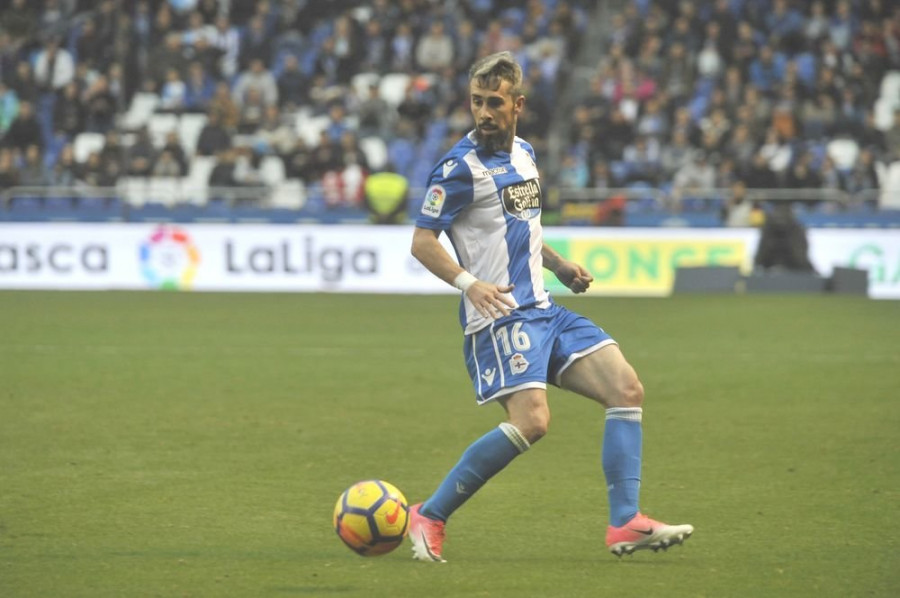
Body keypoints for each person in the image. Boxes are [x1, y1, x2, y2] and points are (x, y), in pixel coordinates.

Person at [408, 51, 693, 563]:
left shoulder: (525, 154)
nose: (483, 112)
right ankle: (429, 514)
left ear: (518, 105)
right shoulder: (457, 168)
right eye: (477, 102)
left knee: (626, 389)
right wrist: (469, 283)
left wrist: (558, 264)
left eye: (494, 102)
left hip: (546, 307)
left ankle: (624, 522)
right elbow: (422, 242)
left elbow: (525, 227)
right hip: (499, 315)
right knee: (533, 422)